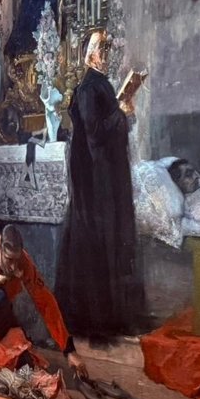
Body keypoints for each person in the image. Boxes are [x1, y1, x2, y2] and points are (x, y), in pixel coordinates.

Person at [55, 31, 146, 341]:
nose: (105, 55)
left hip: (107, 173)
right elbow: (94, 134)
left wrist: (124, 112)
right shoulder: (88, 88)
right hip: (96, 179)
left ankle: (115, 315)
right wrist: (120, 113)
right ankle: (98, 320)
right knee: (99, 240)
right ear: (88, 55)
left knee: (113, 237)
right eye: (100, 50)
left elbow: (112, 127)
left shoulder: (101, 84)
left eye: (107, 50)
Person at [0, 225, 86, 378]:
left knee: (23, 359)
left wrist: (69, 350)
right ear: (1, 249)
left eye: (17, 260)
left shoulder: (23, 260)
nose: (14, 267)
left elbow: (46, 302)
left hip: (2, 304)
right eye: (9, 260)